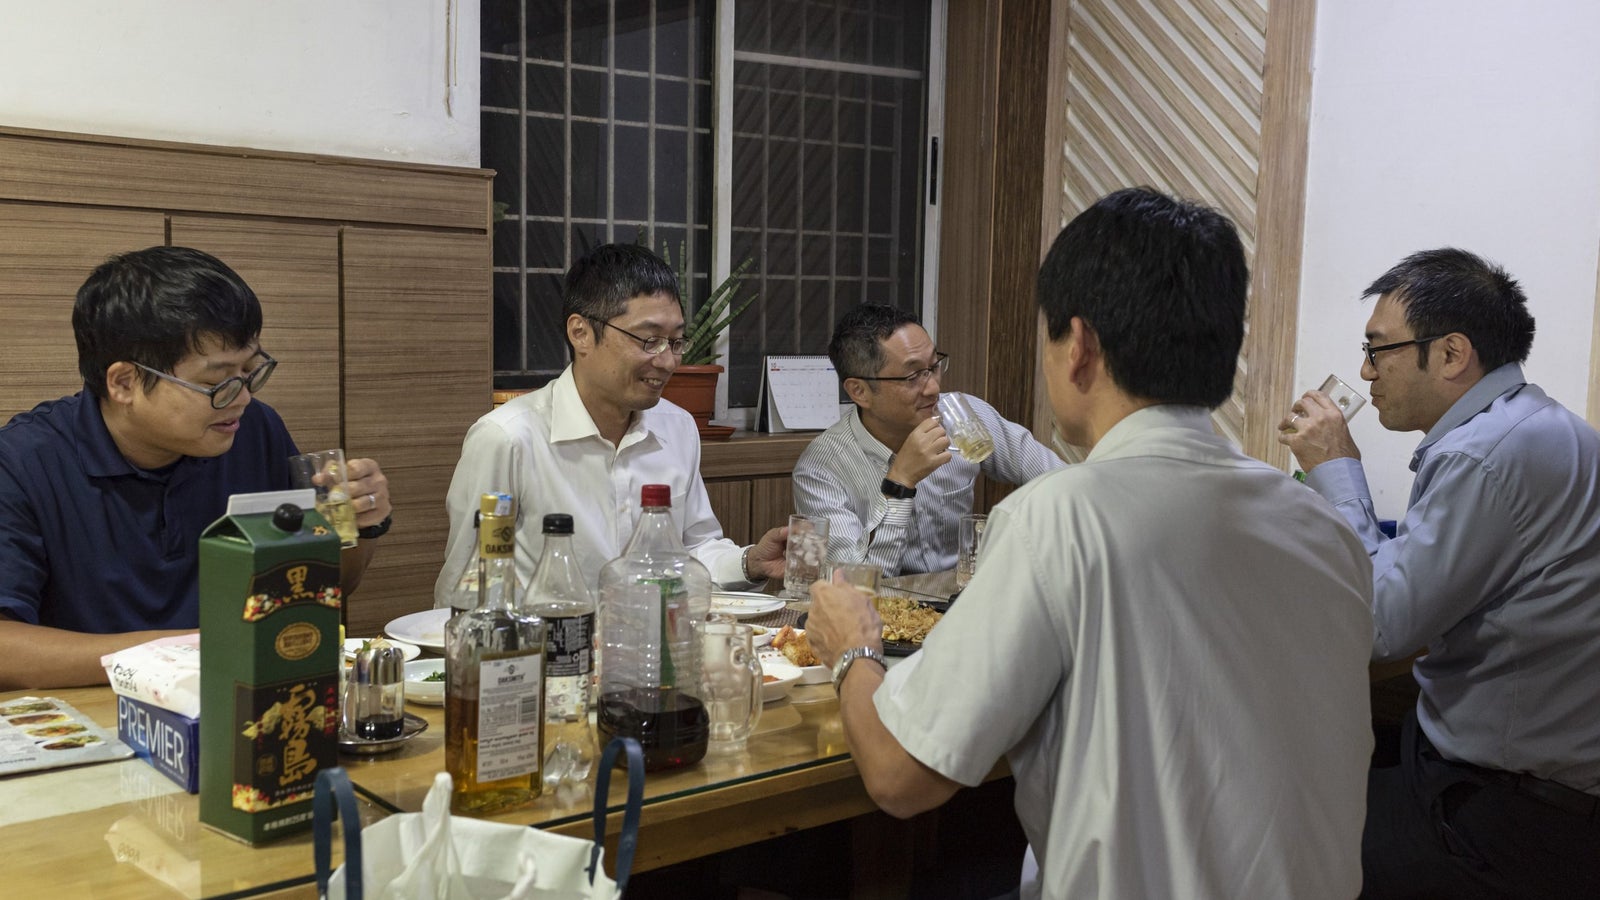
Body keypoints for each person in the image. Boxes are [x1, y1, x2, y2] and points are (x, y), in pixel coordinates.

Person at [806, 187, 1375, 899]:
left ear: (1077, 348)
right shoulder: (1326, 528)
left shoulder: (1056, 521)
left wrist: (853, 650)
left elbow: (899, 776)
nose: (932, 386)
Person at [1280, 248, 1600, 899]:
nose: (1365, 372)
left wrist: (1336, 467)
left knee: (1275, 839)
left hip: (1505, 819)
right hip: (1535, 791)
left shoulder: (1484, 455)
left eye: (1379, 350)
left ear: (1452, 354)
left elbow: (1380, 627)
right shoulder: (1544, 426)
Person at [0, 246, 393, 690]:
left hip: (235, 702)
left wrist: (362, 524)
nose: (242, 397)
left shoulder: (254, 430)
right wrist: (191, 650)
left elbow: (320, 586)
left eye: (250, 371)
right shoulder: (21, 462)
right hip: (93, 713)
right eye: (216, 383)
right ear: (124, 382)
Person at [436, 243, 785, 603]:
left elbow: (693, 550)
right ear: (581, 333)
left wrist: (750, 563)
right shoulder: (507, 438)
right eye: (650, 340)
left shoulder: (677, 427)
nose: (668, 361)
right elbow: (467, 585)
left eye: (676, 342)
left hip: (654, 635)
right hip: (551, 637)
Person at [792, 304, 1064, 575]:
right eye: (913, 376)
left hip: (966, 593)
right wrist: (900, 483)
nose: (934, 388)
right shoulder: (821, 470)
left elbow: (1063, 483)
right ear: (859, 391)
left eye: (933, 367)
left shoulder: (964, 417)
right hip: (885, 602)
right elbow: (855, 582)